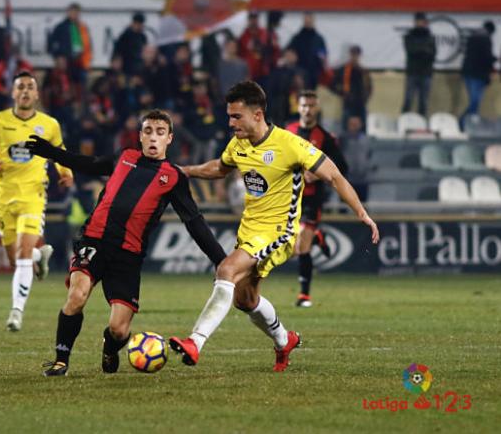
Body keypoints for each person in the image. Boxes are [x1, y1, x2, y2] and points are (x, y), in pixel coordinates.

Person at [169, 81, 378, 371]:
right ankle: (284, 340)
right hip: (250, 230)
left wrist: (362, 213)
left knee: (226, 270)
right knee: (245, 299)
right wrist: (184, 171)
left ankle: (195, 341)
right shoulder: (239, 143)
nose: (230, 123)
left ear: (257, 115)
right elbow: (219, 167)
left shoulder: (290, 145)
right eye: (229, 116)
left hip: (280, 232)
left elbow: (334, 176)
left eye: (236, 116)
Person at [22, 109, 227, 376]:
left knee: (120, 329)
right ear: (140, 136)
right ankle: (61, 359)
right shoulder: (125, 157)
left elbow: (194, 221)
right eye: (148, 131)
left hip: (128, 256)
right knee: (76, 295)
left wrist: (221, 260)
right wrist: (52, 152)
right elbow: (89, 163)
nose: (154, 138)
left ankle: (110, 346)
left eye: (160, 132)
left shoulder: (173, 177)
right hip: (94, 241)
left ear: (170, 139)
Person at [0, 71, 74, 331]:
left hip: (33, 195)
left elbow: (60, 153)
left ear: (37, 94)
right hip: (4, 197)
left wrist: (65, 173)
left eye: (30, 87)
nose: (26, 91)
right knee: (15, 260)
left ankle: (16, 312)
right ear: (13, 93)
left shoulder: (49, 124)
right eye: (21, 87)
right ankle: (41, 255)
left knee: (22, 253)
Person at [286, 90, 348, 307]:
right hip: (289, 197)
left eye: (311, 106)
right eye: (304, 105)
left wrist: (318, 172)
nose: (307, 110)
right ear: (298, 107)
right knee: (290, 249)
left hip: (312, 199)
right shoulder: (288, 132)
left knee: (302, 243)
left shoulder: (325, 137)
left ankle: (304, 295)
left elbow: (342, 167)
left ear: (317, 108)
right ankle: (317, 237)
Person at [47, 3, 92, 96]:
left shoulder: (82, 27)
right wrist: (58, 56)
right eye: (72, 12)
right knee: (66, 88)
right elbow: (52, 45)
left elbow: (87, 45)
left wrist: (87, 62)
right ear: (68, 12)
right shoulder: (61, 27)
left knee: (80, 91)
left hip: (80, 63)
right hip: (67, 63)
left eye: (76, 12)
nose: (74, 14)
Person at [461, 21, 497, 125]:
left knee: (474, 101)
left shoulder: (473, 37)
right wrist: (494, 61)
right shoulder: (486, 39)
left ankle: (466, 122)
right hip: (478, 75)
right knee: (475, 101)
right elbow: (486, 58)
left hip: (468, 73)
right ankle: (464, 123)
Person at [401, 12, 436, 116]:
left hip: (426, 73)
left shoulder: (430, 37)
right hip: (412, 72)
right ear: (415, 22)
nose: (420, 23)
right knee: (408, 99)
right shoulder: (409, 36)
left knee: (423, 101)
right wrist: (424, 51)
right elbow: (411, 51)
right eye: (418, 21)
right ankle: (404, 119)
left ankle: (422, 121)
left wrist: (421, 51)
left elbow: (432, 54)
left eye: (422, 21)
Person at [331, 45, 372, 131]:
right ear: (350, 55)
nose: (355, 57)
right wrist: (342, 93)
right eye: (353, 54)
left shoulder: (363, 71)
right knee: (346, 129)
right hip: (348, 105)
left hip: (361, 104)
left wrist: (365, 98)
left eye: (357, 55)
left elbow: (369, 88)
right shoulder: (343, 70)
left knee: (362, 128)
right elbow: (333, 84)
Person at [287, 13, 327, 90]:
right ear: (304, 22)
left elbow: (323, 54)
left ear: (313, 22)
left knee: (311, 98)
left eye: (310, 21)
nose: (308, 22)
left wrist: (322, 61)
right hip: (299, 75)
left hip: (314, 75)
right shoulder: (297, 38)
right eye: (306, 21)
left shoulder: (319, 39)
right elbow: (289, 52)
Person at [112, 12, 147, 76]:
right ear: (133, 23)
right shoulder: (125, 35)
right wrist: (116, 59)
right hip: (127, 67)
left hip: (139, 68)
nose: (140, 26)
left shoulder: (142, 36)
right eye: (138, 23)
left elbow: (145, 51)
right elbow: (118, 49)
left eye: (141, 24)